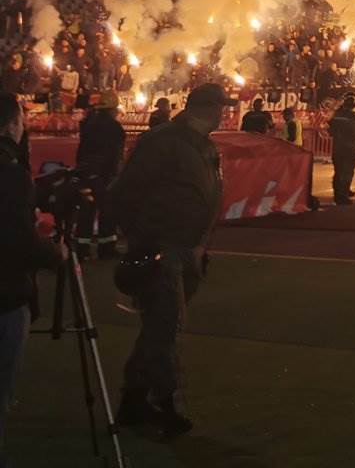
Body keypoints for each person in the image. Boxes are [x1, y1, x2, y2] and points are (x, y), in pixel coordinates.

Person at [107, 81, 228, 438]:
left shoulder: (202, 146)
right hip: (164, 249)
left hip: (187, 249)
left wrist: (200, 244)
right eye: (221, 107)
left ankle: (135, 399)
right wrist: (144, 240)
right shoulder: (164, 143)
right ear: (210, 109)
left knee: (159, 328)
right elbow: (124, 194)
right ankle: (166, 402)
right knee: (166, 327)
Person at [2, 92, 63, 461]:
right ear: (12, 124)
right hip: (6, 294)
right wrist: (55, 254)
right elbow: (18, 239)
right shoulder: (12, 176)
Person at [75, 93, 126, 261]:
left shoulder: (88, 124)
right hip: (104, 175)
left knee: (86, 211)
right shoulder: (115, 128)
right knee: (108, 211)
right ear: (113, 110)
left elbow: (82, 151)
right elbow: (115, 155)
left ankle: (82, 250)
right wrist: (115, 175)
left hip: (86, 173)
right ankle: (106, 248)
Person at [327, 94, 355, 205]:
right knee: (347, 173)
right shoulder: (354, 117)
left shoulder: (337, 116)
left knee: (338, 172)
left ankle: (338, 194)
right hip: (349, 149)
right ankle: (343, 196)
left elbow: (330, 130)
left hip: (338, 148)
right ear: (354, 105)